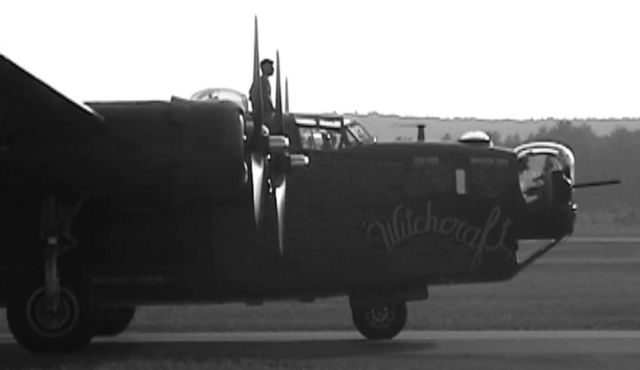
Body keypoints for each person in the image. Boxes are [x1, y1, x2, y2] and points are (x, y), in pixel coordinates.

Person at [249, 58, 275, 125]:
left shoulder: (262, 81)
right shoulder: (262, 81)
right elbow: (265, 97)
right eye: (270, 66)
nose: (273, 69)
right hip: (263, 115)